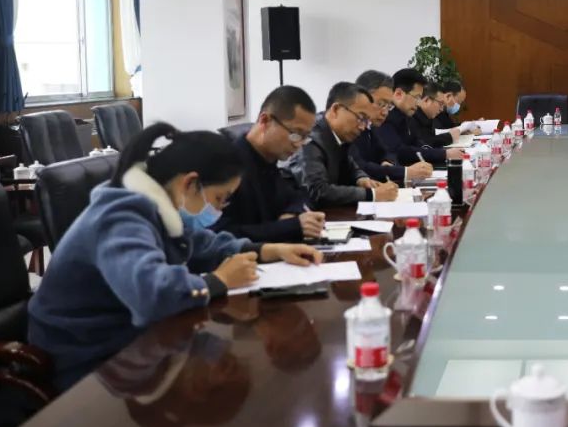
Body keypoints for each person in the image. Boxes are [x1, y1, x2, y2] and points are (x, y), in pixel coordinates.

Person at [27, 122, 323, 390]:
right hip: (84, 358)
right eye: (220, 198)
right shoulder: (121, 216)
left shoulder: (157, 205)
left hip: (130, 343)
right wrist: (217, 281)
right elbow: (152, 294)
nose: (219, 210)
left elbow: (203, 245)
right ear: (190, 183)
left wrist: (268, 250)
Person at [214, 86, 326, 243]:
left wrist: (292, 213)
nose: (299, 144)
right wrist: (289, 227)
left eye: (305, 137)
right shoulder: (226, 166)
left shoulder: (269, 161)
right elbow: (219, 235)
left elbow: (300, 195)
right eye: (295, 134)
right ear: (265, 121)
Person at [288, 82, 399, 207]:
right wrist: (372, 194)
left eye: (366, 121)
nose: (363, 127)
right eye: (360, 117)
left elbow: (350, 165)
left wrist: (361, 179)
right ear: (336, 110)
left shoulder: (340, 136)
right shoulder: (310, 138)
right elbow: (318, 191)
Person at [352, 70, 434, 185]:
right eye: (381, 104)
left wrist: (387, 162)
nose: (385, 112)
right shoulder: (350, 129)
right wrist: (406, 172)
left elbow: (386, 152)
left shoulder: (370, 125)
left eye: (388, 106)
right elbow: (362, 166)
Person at [375, 68, 464, 167]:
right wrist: (443, 154)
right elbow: (401, 152)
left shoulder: (405, 115)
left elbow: (416, 142)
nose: (418, 103)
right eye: (416, 97)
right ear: (399, 94)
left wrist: (439, 153)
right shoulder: (385, 117)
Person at [410, 81, 459, 148]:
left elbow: (431, 137)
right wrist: (449, 137)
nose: (441, 109)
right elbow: (424, 144)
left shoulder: (428, 117)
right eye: (440, 104)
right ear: (426, 100)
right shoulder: (412, 117)